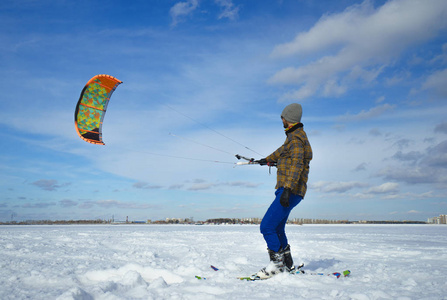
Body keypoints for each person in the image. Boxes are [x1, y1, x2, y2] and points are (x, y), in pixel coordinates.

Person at [254, 103, 312, 279]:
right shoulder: (294, 137)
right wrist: (265, 160)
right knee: (278, 227)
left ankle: (277, 265)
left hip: (290, 189)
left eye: (283, 117)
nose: (282, 120)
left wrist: (287, 188)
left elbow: (297, 164)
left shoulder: (295, 139)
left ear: (289, 118)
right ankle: (287, 264)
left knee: (266, 226)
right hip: (291, 190)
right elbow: (280, 153)